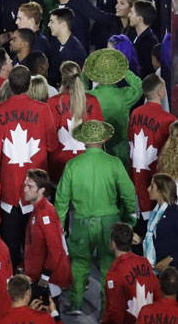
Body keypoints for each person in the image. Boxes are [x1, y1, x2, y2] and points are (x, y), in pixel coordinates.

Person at [55, 120, 138, 315]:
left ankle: (76, 303)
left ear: (83, 141)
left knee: (79, 263)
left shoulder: (72, 166)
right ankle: (106, 311)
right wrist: (129, 220)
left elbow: (61, 201)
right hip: (111, 224)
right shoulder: (114, 163)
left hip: (82, 223)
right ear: (105, 139)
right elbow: (129, 194)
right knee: (109, 268)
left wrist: (60, 230)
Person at [0, 65, 56, 266]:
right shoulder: (44, 110)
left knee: (9, 246)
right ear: (29, 85)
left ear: (10, 84)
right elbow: (52, 144)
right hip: (36, 188)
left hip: (9, 188)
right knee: (36, 246)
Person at [128, 75, 175, 220]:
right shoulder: (169, 120)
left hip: (135, 176)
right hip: (157, 181)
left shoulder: (135, 113)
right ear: (161, 93)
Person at [22, 170, 72, 295]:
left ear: (41, 190)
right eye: (25, 186)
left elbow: (55, 249)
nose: (25, 190)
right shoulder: (38, 209)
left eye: (30, 187)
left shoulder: (46, 213)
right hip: (38, 276)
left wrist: (45, 276)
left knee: (50, 313)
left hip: (48, 281)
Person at [104, 222, 161, 324]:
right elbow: (157, 292)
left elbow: (114, 311)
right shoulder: (144, 262)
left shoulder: (114, 273)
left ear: (113, 244)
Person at [143, 173, 178, 272]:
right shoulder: (155, 212)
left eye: (152, 186)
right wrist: (140, 239)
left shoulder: (174, 213)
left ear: (161, 191)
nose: (148, 189)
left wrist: (170, 258)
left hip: (172, 272)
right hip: (157, 269)